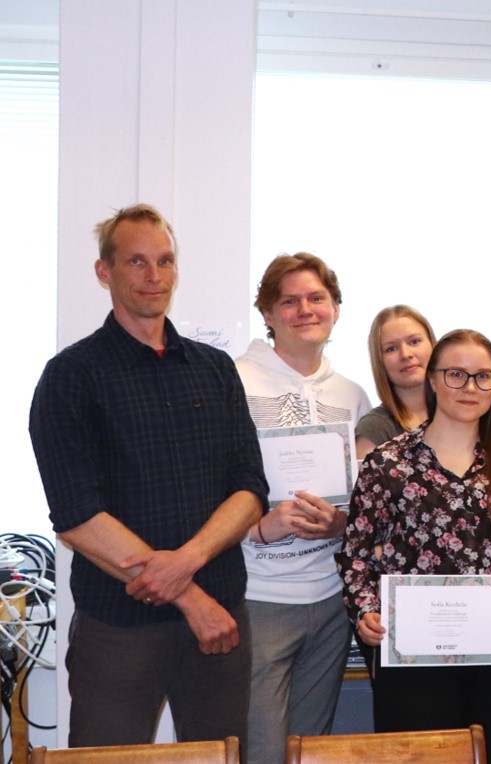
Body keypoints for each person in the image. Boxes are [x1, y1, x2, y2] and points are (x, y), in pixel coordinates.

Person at [28, 204, 268, 749]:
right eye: (136, 261)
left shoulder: (214, 368)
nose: (153, 276)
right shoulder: (70, 377)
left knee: (221, 759)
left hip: (222, 621)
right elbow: (76, 516)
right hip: (119, 630)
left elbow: (250, 489)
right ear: (104, 271)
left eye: (164, 261)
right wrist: (189, 596)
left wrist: (185, 565)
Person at [338, 329, 491, 764]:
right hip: (409, 656)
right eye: (456, 374)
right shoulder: (389, 462)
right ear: (433, 380)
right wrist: (365, 611)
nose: (470, 388)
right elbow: (355, 552)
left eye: (483, 377)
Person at [235, 252, 372, 764]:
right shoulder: (233, 382)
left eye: (316, 298)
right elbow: (209, 485)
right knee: (263, 751)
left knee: (310, 750)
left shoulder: (353, 395)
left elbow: (364, 499)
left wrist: (341, 523)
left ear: (336, 309)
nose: (304, 309)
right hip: (258, 595)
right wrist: (258, 526)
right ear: (267, 314)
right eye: (288, 301)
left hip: (330, 599)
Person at [355, 304, 436, 458]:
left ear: (433, 345)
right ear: (380, 362)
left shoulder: (460, 413)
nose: (406, 354)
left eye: (414, 341)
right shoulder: (375, 430)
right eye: (391, 348)